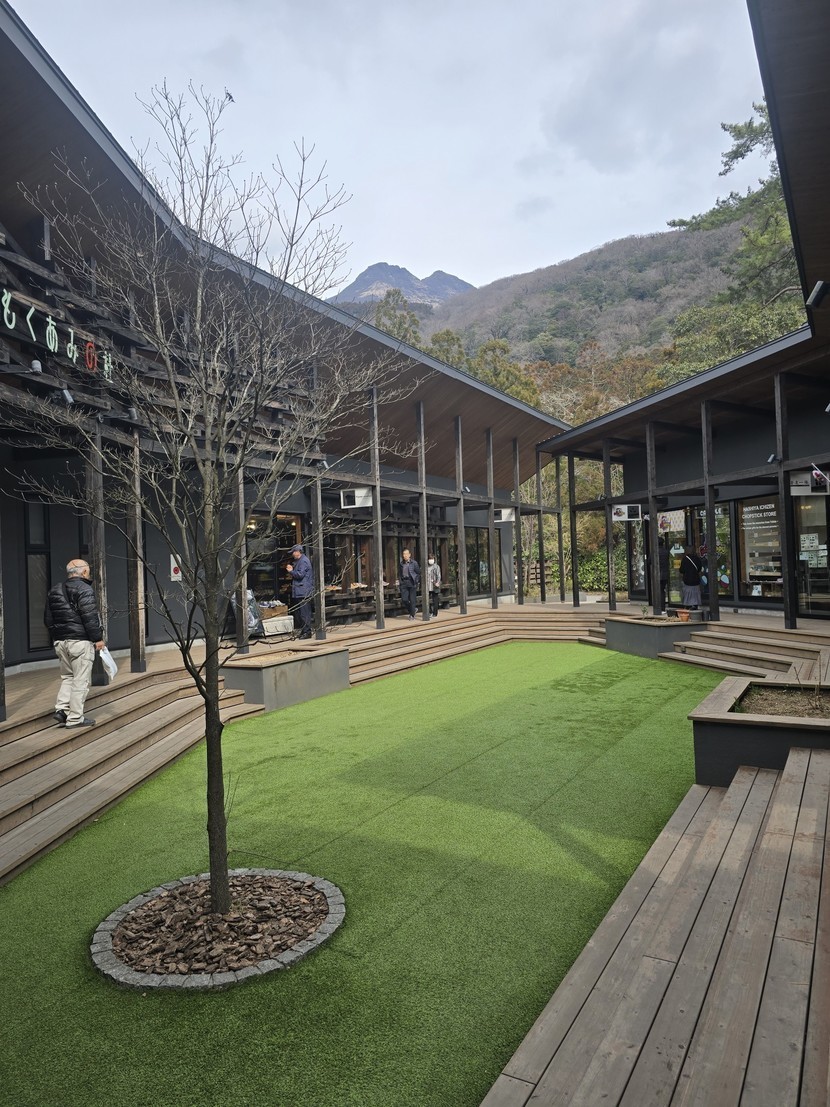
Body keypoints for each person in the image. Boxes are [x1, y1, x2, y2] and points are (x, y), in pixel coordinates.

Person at [44, 558, 105, 727]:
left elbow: (47, 620)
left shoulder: (54, 589)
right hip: (80, 642)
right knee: (81, 680)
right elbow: (90, 617)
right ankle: (75, 718)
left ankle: (62, 710)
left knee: (68, 677)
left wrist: (59, 636)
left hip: (61, 642)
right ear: (84, 572)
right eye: (88, 571)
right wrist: (98, 639)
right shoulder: (84, 589)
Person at [286, 543, 314, 639]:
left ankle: (307, 632)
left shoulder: (303, 561)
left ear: (298, 552)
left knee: (304, 613)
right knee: (301, 613)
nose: (292, 554)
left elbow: (300, 575)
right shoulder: (301, 560)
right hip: (301, 590)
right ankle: (304, 631)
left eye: (293, 552)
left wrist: (291, 571)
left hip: (303, 591)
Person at [398, 547, 420, 620]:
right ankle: (412, 610)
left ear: (409, 555)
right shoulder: (401, 564)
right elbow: (400, 573)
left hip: (412, 582)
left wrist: (416, 580)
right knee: (404, 599)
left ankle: (412, 615)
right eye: (404, 554)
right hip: (404, 582)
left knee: (412, 599)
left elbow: (418, 573)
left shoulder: (414, 563)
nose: (405, 555)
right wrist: (400, 581)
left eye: (406, 554)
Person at [680, 544, 703, 609]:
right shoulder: (697, 559)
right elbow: (699, 568)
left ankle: (688, 605)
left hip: (687, 580)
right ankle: (695, 605)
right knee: (695, 594)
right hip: (696, 580)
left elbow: (681, 570)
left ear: (686, 551)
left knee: (687, 593)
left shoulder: (685, 559)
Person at [657, 536, 670, 611]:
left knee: (659, 590)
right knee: (662, 590)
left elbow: (649, 561)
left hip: (657, 574)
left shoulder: (655, 552)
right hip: (665, 574)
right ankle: (663, 607)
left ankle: (659, 607)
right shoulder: (666, 552)